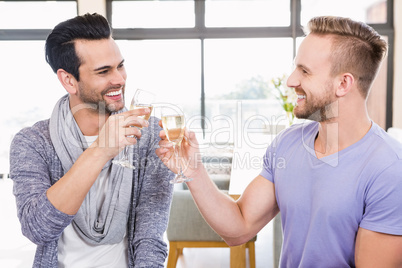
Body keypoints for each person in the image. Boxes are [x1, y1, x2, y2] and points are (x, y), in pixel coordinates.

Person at [156, 16, 402, 267]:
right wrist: (193, 170)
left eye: (305, 71)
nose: (291, 81)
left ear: (343, 83)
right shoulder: (288, 144)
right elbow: (239, 227)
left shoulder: (389, 169)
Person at [10, 13, 174, 267]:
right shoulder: (32, 143)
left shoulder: (148, 134)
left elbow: (150, 237)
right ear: (68, 80)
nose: (119, 79)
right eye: (103, 71)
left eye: (120, 65)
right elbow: (38, 229)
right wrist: (100, 151)